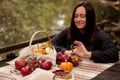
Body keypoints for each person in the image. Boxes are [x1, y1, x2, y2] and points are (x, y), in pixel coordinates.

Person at [51, 1, 119, 63]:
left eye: (82, 16)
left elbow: (114, 54)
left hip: (94, 72)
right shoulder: (68, 31)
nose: (78, 19)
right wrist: (66, 52)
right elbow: (51, 44)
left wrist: (88, 54)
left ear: (90, 18)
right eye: (76, 16)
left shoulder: (99, 35)